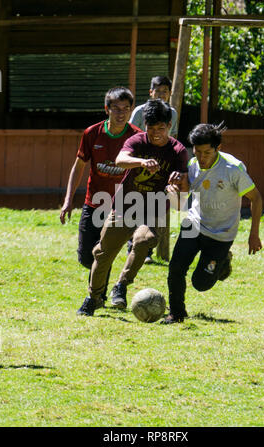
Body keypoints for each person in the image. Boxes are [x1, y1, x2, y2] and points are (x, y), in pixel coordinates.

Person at [77, 99, 189, 316]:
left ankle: (121, 285)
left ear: (169, 127)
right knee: (102, 253)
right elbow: (120, 159)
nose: (156, 133)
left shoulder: (178, 151)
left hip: (155, 208)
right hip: (126, 205)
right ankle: (94, 297)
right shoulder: (137, 141)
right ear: (145, 126)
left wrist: (177, 185)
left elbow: (182, 194)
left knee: (144, 240)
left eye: (161, 128)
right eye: (151, 128)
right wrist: (141, 162)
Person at [162, 122, 263, 324]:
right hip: (195, 223)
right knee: (176, 267)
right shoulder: (192, 165)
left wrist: (254, 234)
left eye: (206, 152)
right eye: (197, 152)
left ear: (218, 148)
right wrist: (173, 190)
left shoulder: (233, 169)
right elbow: (183, 199)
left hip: (221, 234)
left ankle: (223, 260)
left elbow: (256, 198)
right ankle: (176, 313)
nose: (201, 158)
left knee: (200, 283)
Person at [60, 87, 141, 301]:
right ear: (107, 109)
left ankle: (98, 296)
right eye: (116, 108)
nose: (121, 113)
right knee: (87, 257)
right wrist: (68, 200)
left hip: (122, 206)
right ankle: (101, 287)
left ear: (131, 110)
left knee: (105, 251)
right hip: (94, 203)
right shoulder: (92, 133)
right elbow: (78, 166)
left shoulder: (136, 137)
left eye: (126, 108)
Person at [128, 75, 178, 263]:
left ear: (170, 94)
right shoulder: (140, 111)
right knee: (134, 204)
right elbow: (131, 135)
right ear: (151, 92)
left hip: (161, 165)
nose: (161, 95)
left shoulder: (172, 113)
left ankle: (146, 250)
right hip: (140, 163)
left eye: (165, 92)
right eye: (158, 91)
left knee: (154, 205)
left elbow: (172, 138)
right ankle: (131, 245)